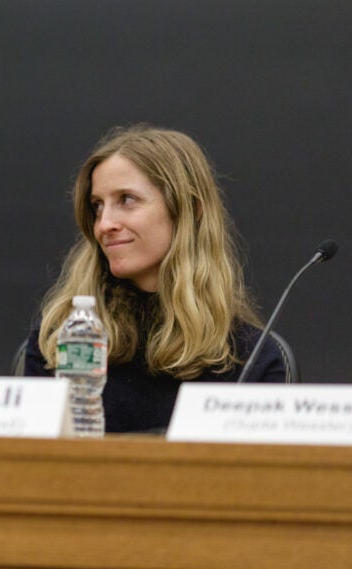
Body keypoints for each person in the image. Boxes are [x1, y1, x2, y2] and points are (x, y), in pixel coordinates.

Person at [24, 123, 288, 432]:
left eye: (127, 200)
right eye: (97, 206)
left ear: (190, 210)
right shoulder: (60, 339)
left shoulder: (251, 357)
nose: (104, 224)